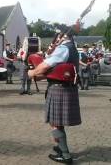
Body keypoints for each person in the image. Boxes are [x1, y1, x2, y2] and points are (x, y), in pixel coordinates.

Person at [28, 33, 81, 164]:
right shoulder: (73, 49)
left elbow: (46, 65)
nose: (55, 41)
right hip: (67, 88)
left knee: (55, 123)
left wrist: (33, 73)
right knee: (58, 121)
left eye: (57, 39)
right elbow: (59, 70)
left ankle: (65, 155)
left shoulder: (64, 48)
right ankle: (60, 146)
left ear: (61, 38)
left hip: (59, 89)